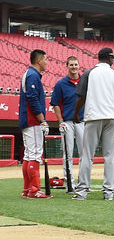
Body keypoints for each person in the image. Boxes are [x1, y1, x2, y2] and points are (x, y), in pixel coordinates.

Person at [72, 47, 114, 201]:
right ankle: (108, 192)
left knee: (87, 155)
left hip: (94, 116)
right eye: (112, 58)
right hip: (113, 117)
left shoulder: (89, 73)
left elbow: (81, 97)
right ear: (109, 58)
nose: (113, 61)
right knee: (109, 156)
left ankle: (82, 191)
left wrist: (76, 114)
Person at [18, 48, 52, 198]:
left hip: (27, 120)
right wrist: (42, 120)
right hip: (32, 120)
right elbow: (32, 98)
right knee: (35, 154)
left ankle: (27, 189)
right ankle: (34, 190)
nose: (46, 62)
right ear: (39, 60)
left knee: (28, 154)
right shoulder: (33, 75)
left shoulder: (29, 74)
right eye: (45, 59)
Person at [50, 56, 85, 187]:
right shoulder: (61, 83)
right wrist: (60, 122)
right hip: (67, 122)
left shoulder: (85, 82)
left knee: (84, 154)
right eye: (71, 65)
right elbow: (55, 104)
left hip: (82, 121)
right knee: (68, 153)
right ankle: (69, 181)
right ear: (67, 66)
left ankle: (83, 182)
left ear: (79, 66)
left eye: (76, 64)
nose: (74, 67)